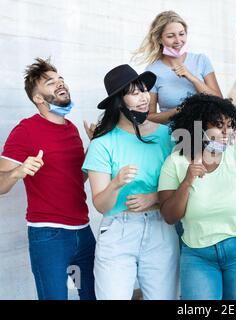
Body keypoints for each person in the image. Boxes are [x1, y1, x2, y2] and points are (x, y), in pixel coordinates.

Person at [157, 94, 236, 300]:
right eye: (218, 125)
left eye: (230, 125)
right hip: (198, 255)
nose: (225, 132)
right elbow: (170, 216)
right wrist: (187, 182)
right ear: (199, 126)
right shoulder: (175, 162)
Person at [0, 58, 96, 300]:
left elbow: (76, 179)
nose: (60, 84)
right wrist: (17, 172)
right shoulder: (25, 130)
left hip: (83, 235)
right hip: (50, 238)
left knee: (90, 296)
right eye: (50, 83)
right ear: (38, 99)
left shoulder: (72, 129)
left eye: (60, 79)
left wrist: (93, 147)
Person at [82, 64, 179, 300]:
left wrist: (155, 197)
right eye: (134, 93)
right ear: (119, 102)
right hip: (117, 231)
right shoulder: (102, 143)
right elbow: (101, 205)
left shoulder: (168, 136)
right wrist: (115, 184)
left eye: (144, 90)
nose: (144, 97)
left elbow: (183, 186)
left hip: (161, 229)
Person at [133, 10, 222, 124]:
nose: (178, 41)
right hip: (173, 136)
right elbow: (149, 117)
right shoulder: (152, 71)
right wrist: (182, 110)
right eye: (171, 36)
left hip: (206, 134)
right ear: (159, 39)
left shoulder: (201, 60)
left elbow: (220, 102)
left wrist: (192, 77)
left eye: (181, 34)